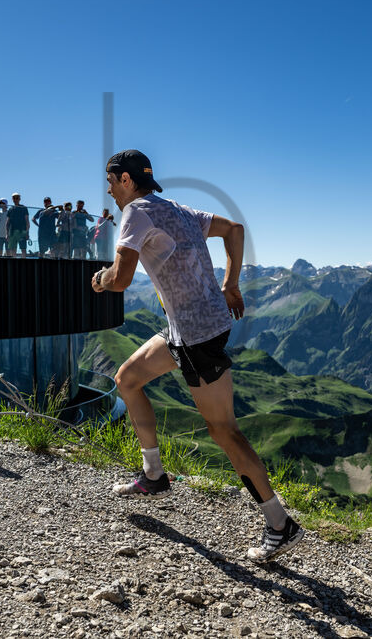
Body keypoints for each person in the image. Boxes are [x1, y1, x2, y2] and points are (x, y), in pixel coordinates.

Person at [92, 149, 303, 563]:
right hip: (189, 327)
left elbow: (119, 281)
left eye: (112, 182)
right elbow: (234, 228)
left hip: (196, 336)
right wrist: (231, 285)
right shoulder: (180, 209)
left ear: (128, 181)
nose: (110, 191)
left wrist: (99, 280)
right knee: (127, 379)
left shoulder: (136, 213)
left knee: (224, 431)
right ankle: (153, 474)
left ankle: (280, 523)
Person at [6, 192, 29, 258]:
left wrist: (27, 233)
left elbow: (27, 221)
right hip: (12, 232)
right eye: (14, 198)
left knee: (23, 249)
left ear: (19, 199)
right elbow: (7, 223)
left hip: (22, 231)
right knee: (13, 249)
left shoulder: (24, 208)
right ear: (12, 199)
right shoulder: (10, 209)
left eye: (17, 198)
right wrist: (7, 234)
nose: (15, 199)